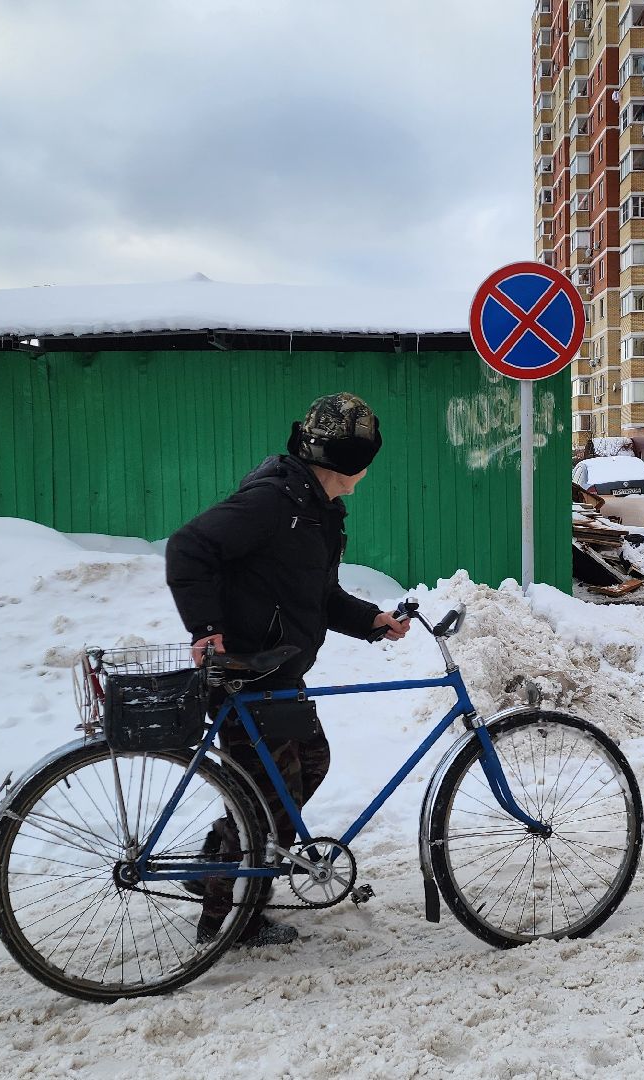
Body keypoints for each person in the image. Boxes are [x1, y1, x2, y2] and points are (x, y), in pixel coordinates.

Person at [165, 392, 411, 947]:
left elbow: (317, 596)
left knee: (308, 767)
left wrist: (373, 620)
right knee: (269, 803)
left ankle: (217, 866)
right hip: (247, 675)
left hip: (278, 676)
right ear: (352, 462)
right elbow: (188, 548)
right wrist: (205, 629)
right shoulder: (276, 499)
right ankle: (230, 919)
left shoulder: (317, 508)